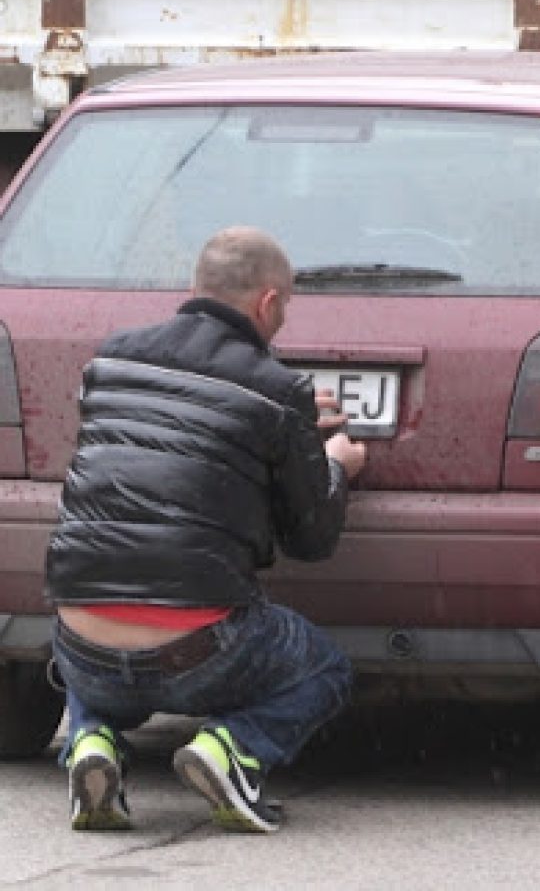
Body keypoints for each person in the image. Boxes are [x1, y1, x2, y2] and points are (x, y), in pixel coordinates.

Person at [45, 226, 367, 834]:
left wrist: (287, 427)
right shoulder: (277, 389)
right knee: (325, 668)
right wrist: (333, 464)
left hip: (78, 642)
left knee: (105, 601)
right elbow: (311, 540)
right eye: (287, 308)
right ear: (269, 303)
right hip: (196, 656)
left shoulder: (111, 357)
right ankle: (231, 750)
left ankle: (91, 742)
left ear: (193, 287)